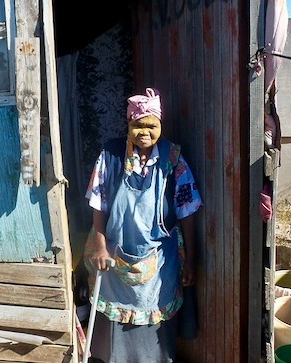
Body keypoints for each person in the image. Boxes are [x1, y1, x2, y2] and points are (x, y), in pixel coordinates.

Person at [83, 87, 203, 362]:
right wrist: (100, 247)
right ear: (129, 124)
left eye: (152, 125)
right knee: (113, 332)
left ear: (160, 125)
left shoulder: (173, 160)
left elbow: (187, 212)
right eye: (138, 125)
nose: (145, 132)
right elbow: (98, 203)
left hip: (160, 261)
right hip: (114, 255)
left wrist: (191, 260)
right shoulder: (111, 156)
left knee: (155, 330)